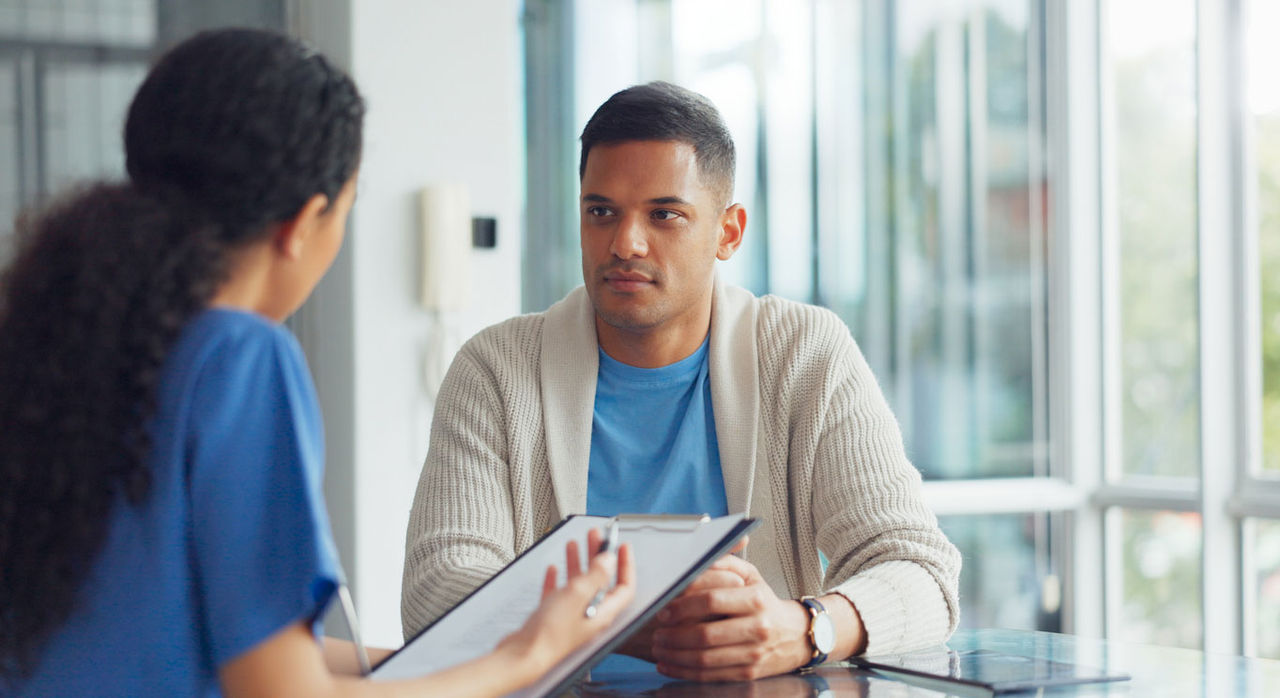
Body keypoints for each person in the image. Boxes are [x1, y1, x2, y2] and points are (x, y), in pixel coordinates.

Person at [0, 28, 633, 697]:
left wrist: (471, 656)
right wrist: (530, 658)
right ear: (303, 222)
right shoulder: (239, 359)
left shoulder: (58, 346)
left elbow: (220, 644)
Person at [401, 80, 962, 682]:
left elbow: (919, 571)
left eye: (665, 214)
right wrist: (632, 621)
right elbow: (438, 592)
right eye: (601, 212)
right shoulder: (494, 370)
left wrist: (802, 630)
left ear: (728, 231)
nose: (625, 243)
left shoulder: (804, 352)